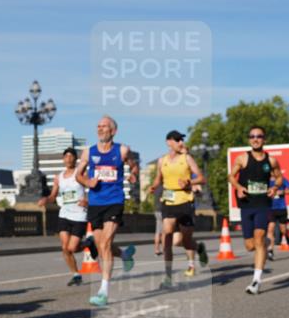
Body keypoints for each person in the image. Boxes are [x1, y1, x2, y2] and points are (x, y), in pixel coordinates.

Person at [76, 115, 138, 307]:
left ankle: (103, 291)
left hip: (114, 200)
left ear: (113, 131)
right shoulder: (88, 152)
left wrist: (133, 174)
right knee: (101, 243)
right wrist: (88, 182)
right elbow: (78, 174)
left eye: (104, 126)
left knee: (105, 245)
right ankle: (125, 255)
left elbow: (134, 165)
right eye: (98, 126)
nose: (100, 129)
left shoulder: (122, 150)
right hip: (95, 203)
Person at [148, 130, 208, 288]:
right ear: (169, 142)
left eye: (181, 140)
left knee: (185, 240)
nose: (180, 142)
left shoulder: (187, 158)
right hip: (168, 201)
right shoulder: (162, 161)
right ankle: (168, 276)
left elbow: (202, 178)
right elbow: (158, 179)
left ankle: (198, 248)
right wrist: (153, 186)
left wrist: (189, 183)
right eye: (177, 139)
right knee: (167, 238)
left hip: (185, 201)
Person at [228, 125, 283, 295]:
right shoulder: (242, 158)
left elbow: (279, 177)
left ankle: (256, 281)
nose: (255, 139)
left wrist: (274, 188)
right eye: (252, 136)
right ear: (249, 139)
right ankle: (266, 244)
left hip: (263, 204)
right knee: (250, 245)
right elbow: (230, 176)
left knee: (259, 238)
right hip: (246, 204)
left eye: (259, 136)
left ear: (264, 139)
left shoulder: (271, 160)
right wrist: (238, 186)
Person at [39, 147, 92, 286]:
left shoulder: (80, 173)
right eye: (66, 156)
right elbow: (53, 196)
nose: (68, 159)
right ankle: (76, 274)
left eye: (71, 156)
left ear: (75, 159)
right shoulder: (59, 177)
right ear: (63, 159)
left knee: (72, 248)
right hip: (64, 214)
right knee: (65, 248)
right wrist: (46, 199)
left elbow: (93, 188)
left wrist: (88, 200)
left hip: (80, 215)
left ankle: (88, 243)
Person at [265, 175, 289, 259]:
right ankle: (270, 251)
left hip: (281, 208)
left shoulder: (282, 179)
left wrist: (282, 192)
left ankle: (287, 236)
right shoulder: (265, 179)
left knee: (283, 229)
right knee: (270, 229)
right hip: (270, 208)